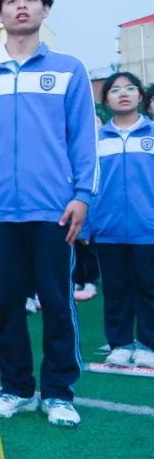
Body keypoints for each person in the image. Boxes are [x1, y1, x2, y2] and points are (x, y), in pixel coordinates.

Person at [0, 0, 97, 428]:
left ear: (45, 10)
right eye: (11, 0)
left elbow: (83, 139)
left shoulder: (68, 70)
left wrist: (81, 196)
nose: (21, 6)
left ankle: (59, 391)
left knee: (57, 301)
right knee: (7, 300)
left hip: (54, 208)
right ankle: (16, 388)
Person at [90, 73, 153, 368]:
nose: (123, 94)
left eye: (130, 88)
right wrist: (89, 225)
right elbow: (87, 186)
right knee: (115, 288)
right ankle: (120, 342)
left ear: (141, 96)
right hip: (108, 229)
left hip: (147, 228)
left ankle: (147, 343)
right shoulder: (96, 142)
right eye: (115, 90)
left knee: (149, 287)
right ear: (106, 101)